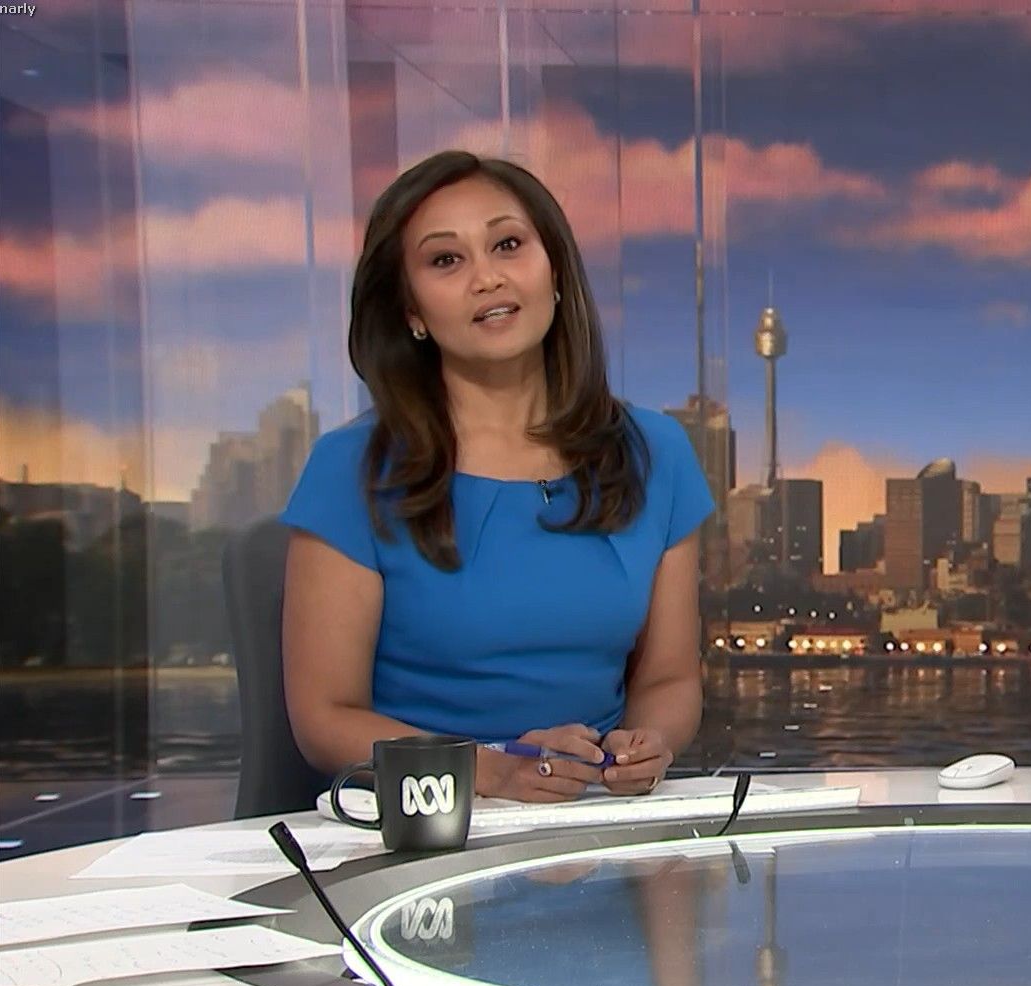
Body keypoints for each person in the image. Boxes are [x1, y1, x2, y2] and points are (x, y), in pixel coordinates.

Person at [281, 149, 714, 802]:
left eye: (508, 245)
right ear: (411, 311)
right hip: (428, 818)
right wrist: (493, 771)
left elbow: (669, 680)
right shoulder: (353, 469)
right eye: (445, 260)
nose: (487, 278)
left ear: (555, 271)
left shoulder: (655, 452)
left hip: (593, 813)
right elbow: (326, 718)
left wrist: (647, 743)